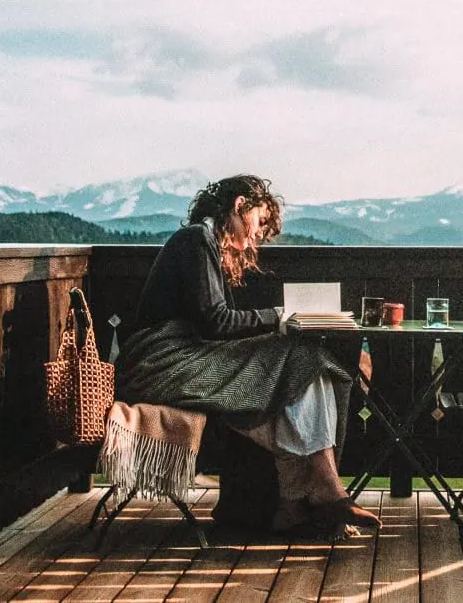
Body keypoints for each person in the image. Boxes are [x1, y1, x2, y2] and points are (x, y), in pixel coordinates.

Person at [114, 174, 378, 531]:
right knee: (303, 360)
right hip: (161, 363)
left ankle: (297, 505)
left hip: (184, 357)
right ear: (240, 206)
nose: (260, 233)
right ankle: (322, 494)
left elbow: (212, 325)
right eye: (261, 221)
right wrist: (279, 318)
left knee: (305, 370)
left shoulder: (206, 243)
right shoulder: (196, 240)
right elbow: (216, 322)